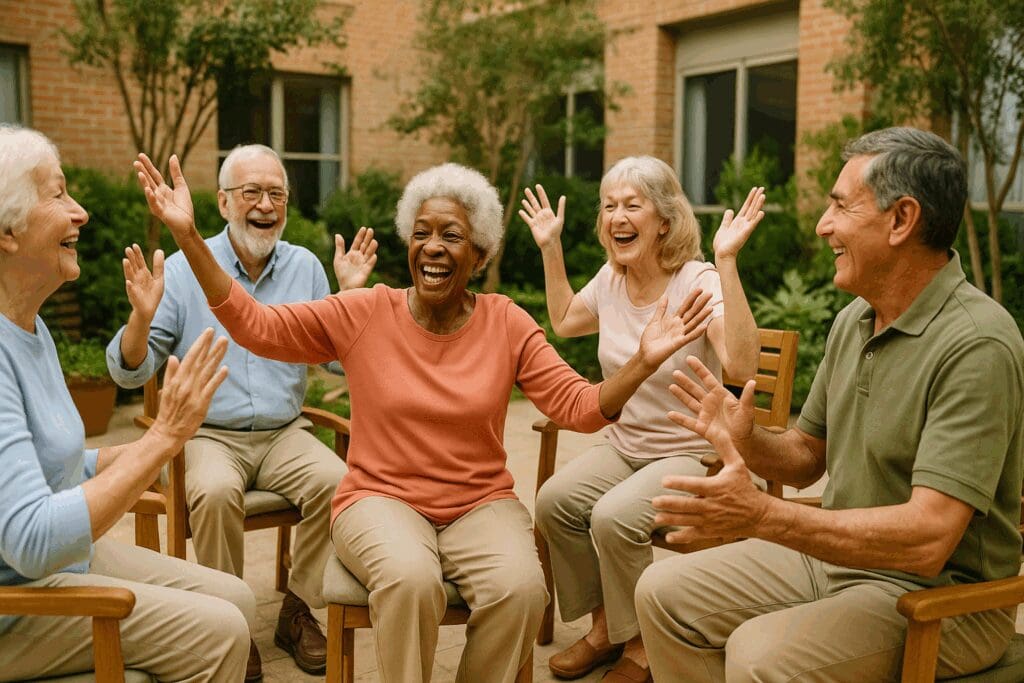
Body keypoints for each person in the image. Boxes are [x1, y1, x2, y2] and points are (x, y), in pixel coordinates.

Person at [134, 153, 714, 683]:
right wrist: (188, 234)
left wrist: (641, 362)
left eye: (452, 236)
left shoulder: (505, 321)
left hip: (479, 502)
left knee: (521, 589)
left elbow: (580, 408)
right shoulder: (365, 311)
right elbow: (255, 325)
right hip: (379, 498)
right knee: (410, 582)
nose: (433, 246)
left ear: (480, 254)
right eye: (422, 233)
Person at [636, 127, 1024, 682]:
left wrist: (763, 515)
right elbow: (804, 456)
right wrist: (745, 437)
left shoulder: (977, 343)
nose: (823, 226)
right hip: (838, 560)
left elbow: (929, 538)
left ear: (901, 220)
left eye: (840, 206)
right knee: (661, 593)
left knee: (758, 654)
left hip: (941, 598)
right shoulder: (854, 321)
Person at [105, 143, 377, 680]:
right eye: (251, 192)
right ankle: (227, 621)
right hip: (206, 433)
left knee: (340, 482)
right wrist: (139, 321)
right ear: (224, 203)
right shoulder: (184, 271)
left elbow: (340, 365)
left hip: (284, 432)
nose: (265, 205)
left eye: (276, 193)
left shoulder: (304, 267)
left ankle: (297, 609)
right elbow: (130, 372)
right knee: (213, 491)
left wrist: (352, 301)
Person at [0, 124, 254, 682]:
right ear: (8, 233)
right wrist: (162, 439)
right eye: (58, 194)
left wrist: (151, 449)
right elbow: (29, 541)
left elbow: (56, 468)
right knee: (223, 633)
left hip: (63, 563)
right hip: (17, 604)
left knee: (239, 597)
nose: (81, 211)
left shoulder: (30, 327)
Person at [519, 156, 761, 682]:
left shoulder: (697, 281)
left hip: (688, 450)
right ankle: (606, 628)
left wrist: (727, 263)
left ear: (665, 220)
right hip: (625, 445)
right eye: (609, 206)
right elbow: (562, 321)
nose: (617, 216)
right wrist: (550, 247)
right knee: (554, 503)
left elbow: (741, 366)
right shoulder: (612, 279)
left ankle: (643, 649)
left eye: (632, 205)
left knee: (612, 516)